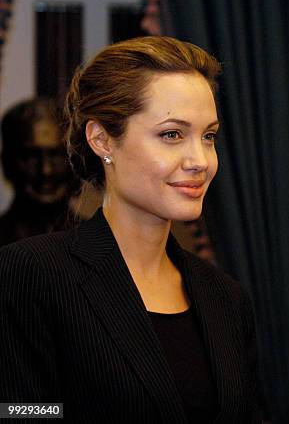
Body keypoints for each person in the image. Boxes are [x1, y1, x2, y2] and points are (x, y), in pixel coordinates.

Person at [0, 36, 260, 423]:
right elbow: (20, 413)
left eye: (208, 136)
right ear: (102, 139)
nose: (200, 160)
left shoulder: (225, 298)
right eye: (172, 134)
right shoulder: (32, 272)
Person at [0, 98, 72, 246]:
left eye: (55, 154)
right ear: (7, 163)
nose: (46, 170)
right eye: (31, 156)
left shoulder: (102, 243)